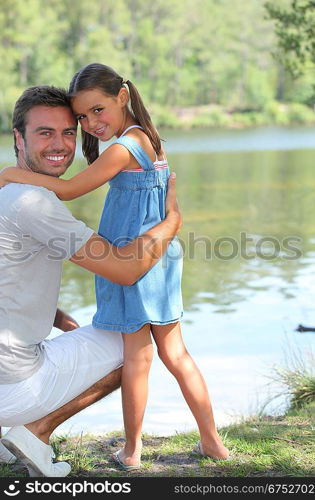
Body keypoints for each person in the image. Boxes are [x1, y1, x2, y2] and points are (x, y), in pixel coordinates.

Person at [0, 63, 230, 469]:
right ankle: (207, 441)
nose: (88, 125)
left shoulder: (122, 148)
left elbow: (71, 191)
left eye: (75, 126)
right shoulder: (145, 142)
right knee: (163, 354)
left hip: (136, 260)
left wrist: (10, 174)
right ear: (18, 137)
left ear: (122, 97)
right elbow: (124, 264)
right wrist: (172, 223)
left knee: (140, 354)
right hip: (148, 260)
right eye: (81, 119)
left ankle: (134, 450)